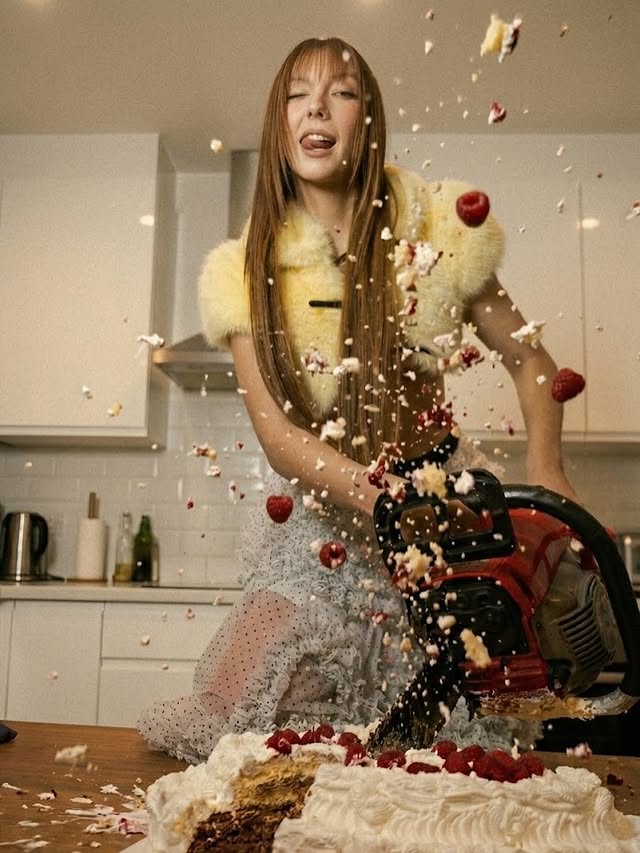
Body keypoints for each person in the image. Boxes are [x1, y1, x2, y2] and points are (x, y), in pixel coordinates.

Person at [138, 36, 578, 763]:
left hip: (442, 529)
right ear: (279, 123)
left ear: (366, 119)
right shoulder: (241, 270)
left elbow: (531, 359)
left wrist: (547, 469)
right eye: (296, 95)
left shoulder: (438, 229)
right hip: (320, 533)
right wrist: (379, 496)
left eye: (339, 92)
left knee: (453, 746)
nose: (316, 107)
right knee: (233, 711)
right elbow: (279, 436)